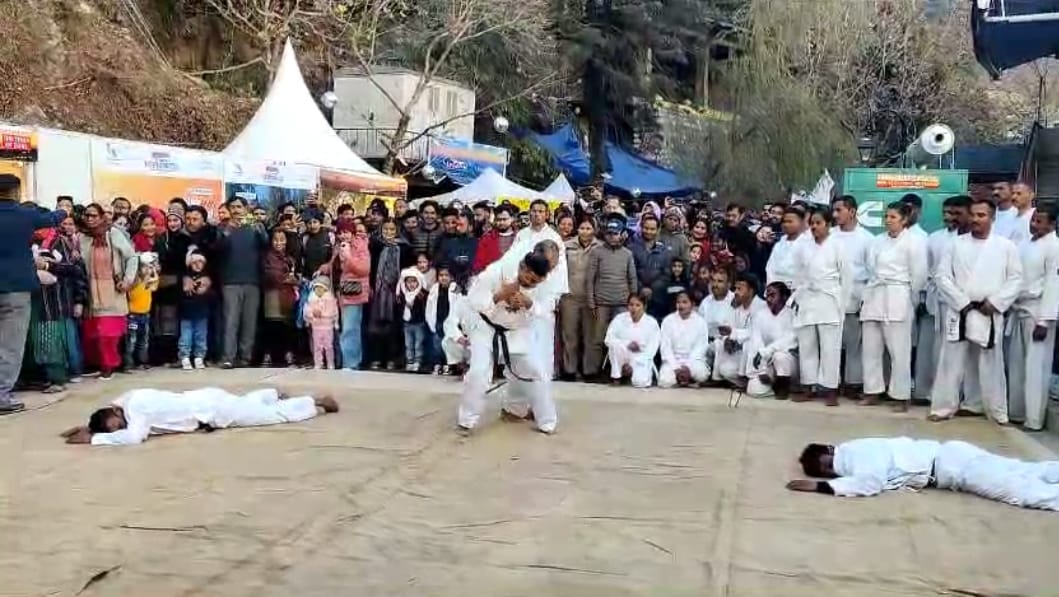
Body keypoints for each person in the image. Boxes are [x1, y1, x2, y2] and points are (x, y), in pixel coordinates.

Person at [931, 198, 1022, 423]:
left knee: (991, 362)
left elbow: (1016, 279)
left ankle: (994, 410)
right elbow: (942, 276)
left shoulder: (1005, 246)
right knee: (951, 360)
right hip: (961, 310)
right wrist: (961, 302)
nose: (975, 219)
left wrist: (996, 302)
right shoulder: (956, 244)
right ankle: (942, 407)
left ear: (992, 218)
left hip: (989, 310)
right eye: (973, 215)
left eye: (981, 215)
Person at [787, 438, 1059, 512]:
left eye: (826, 465)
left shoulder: (855, 454)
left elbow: (870, 483)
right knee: (1024, 470)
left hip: (952, 466)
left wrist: (819, 488)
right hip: (952, 458)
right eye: (823, 473)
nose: (829, 471)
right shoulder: (853, 455)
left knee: (1019, 492)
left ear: (831, 449)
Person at [457, 251, 557, 435]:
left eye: (536, 281)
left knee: (536, 371)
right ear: (522, 267)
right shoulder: (495, 272)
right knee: (479, 372)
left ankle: (547, 421)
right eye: (528, 276)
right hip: (485, 328)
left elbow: (547, 311)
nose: (530, 282)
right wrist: (500, 296)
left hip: (517, 332)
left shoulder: (546, 286)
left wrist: (529, 304)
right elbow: (473, 300)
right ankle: (467, 420)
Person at [60, 387, 340, 446]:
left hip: (213, 411)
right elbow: (120, 422)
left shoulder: (136, 410)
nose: (121, 427)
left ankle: (312, 402)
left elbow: (134, 437)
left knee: (271, 417)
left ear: (115, 413)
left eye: (116, 425)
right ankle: (269, 392)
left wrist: (95, 439)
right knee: (248, 407)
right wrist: (92, 427)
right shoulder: (129, 397)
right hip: (207, 399)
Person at [860, 202, 928, 412]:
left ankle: (901, 395)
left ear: (904, 220)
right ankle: (872, 390)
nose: (888, 220)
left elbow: (919, 275)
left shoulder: (914, 242)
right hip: (875, 293)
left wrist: (911, 299)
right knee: (871, 348)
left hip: (899, 294)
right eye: (886, 216)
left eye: (893, 217)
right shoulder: (877, 241)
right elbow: (870, 267)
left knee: (899, 350)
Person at [791, 208, 852, 406]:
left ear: (828, 224)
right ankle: (808, 386)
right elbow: (798, 275)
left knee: (830, 347)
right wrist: (797, 297)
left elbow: (847, 278)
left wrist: (842, 304)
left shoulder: (839, 245)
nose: (814, 227)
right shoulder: (804, 247)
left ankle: (831, 389)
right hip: (808, 297)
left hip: (829, 298)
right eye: (812, 223)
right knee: (807, 344)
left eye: (818, 223)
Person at [1005, 208, 1059, 431]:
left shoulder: (1054, 246)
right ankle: (1017, 412)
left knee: (1036, 367)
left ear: (1052, 224)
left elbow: (1053, 285)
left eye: (1039, 221)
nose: (1033, 225)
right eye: (1033, 220)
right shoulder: (1026, 244)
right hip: (1020, 307)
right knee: (1017, 363)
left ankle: (1034, 419)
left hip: (1038, 312)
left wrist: (1045, 320)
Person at [915, 195, 971, 402]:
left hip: (962, 304)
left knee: (959, 351)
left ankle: (960, 395)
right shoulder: (935, 238)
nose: (949, 217)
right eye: (946, 213)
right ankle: (932, 393)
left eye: (956, 213)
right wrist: (922, 298)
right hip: (936, 301)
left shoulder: (970, 240)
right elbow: (927, 270)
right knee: (935, 350)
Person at [79, 203, 139, 380]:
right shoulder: (81, 237)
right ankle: (98, 364)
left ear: (101, 217)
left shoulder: (113, 234)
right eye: (87, 216)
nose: (90, 219)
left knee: (108, 335)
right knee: (92, 335)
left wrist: (128, 280)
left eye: (93, 216)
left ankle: (109, 365)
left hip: (113, 291)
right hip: (90, 292)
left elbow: (132, 257)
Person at [217, 197, 269, 369]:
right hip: (230, 281)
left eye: (239, 207)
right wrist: (227, 232)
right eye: (232, 207)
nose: (236, 210)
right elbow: (216, 250)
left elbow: (266, 245)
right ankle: (228, 357)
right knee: (231, 321)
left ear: (246, 209)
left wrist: (260, 231)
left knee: (249, 321)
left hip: (252, 281)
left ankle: (245, 357)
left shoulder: (254, 228)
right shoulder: (222, 228)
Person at [830, 196, 873, 396]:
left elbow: (872, 272)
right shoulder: (830, 236)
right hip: (831, 294)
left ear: (853, 211)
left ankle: (853, 383)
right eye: (834, 210)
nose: (835, 214)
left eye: (839, 210)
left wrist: (865, 299)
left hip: (856, 294)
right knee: (831, 341)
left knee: (854, 342)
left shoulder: (867, 238)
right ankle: (831, 382)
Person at [585, 216, 638, 380]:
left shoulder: (627, 254)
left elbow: (632, 279)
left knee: (621, 339)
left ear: (622, 234)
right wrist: (591, 302)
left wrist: (633, 303)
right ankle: (593, 372)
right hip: (601, 303)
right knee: (598, 339)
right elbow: (590, 279)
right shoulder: (597, 252)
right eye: (609, 233)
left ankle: (618, 372)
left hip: (622, 304)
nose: (612, 237)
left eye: (615, 233)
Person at [559, 218, 602, 380]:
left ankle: (589, 371)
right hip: (570, 297)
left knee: (590, 336)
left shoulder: (600, 247)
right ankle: (570, 370)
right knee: (570, 336)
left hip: (591, 298)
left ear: (594, 230)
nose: (585, 231)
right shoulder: (566, 246)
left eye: (588, 228)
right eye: (582, 228)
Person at [710, 273, 766, 386]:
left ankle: (750, 380)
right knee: (723, 364)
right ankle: (718, 380)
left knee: (749, 344)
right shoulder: (737, 308)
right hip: (738, 351)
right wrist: (727, 339)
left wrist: (734, 334)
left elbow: (757, 333)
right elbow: (728, 327)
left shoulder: (762, 307)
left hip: (756, 354)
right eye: (735, 288)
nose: (735, 292)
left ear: (751, 291)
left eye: (740, 289)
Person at [744, 282, 797, 399]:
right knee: (753, 390)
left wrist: (768, 351)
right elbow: (756, 341)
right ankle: (773, 386)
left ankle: (784, 386)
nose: (768, 299)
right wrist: (762, 370)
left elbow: (790, 340)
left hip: (790, 364)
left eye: (773, 295)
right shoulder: (760, 315)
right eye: (767, 295)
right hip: (768, 361)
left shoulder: (792, 315)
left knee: (780, 356)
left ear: (784, 297)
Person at [332, 221, 371, 370]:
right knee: (347, 327)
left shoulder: (361, 247)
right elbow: (334, 265)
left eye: (346, 232)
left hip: (354, 292)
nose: (343, 235)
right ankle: (349, 361)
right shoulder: (339, 246)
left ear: (353, 233)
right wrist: (324, 268)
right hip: (342, 291)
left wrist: (348, 257)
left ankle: (351, 363)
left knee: (350, 328)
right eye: (340, 233)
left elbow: (364, 269)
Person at [603, 293, 661, 387]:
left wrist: (633, 365)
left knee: (640, 382)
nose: (634, 308)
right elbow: (608, 339)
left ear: (644, 307)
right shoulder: (619, 319)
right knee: (614, 345)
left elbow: (652, 348)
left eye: (637, 305)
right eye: (631, 305)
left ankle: (633, 373)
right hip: (622, 353)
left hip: (641, 356)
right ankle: (616, 377)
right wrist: (627, 344)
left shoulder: (651, 323)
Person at [658, 291, 710, 388]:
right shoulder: (668, 321)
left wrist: (687, 367)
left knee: (702, 375)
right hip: (673, 360)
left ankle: (685, 378)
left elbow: (701, 347)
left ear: (692, 304)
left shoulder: (700, 322)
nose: (681, 305)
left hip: (693, 361)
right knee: (665, 381)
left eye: (685, 302)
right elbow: (665, 347)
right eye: (678, 302)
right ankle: (683, 379)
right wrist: (676, 368)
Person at [178, 248, 212, 370]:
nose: (197, 265)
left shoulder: (208, 278)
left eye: (200, 262)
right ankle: (184, 357)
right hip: (186, 312)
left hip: (202, 312)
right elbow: (178, 293)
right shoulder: (184, 276)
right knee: (186, 336)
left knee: (201, 336)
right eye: (194, 262)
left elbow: (212, 296)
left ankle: (199, 356)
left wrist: (207, 288)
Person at [765, 207, 809, 290]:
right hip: (775, 290)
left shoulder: (808, 244)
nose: (786, 225)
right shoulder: (779, 244)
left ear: (801, 223)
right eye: (784, 222)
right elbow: (770, 269)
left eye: (790, 222)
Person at [303, 275, 340, 370]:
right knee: (317, 347)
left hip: (328, 327)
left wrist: (335, 323)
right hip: (316, 327)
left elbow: (334, 312)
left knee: (329, 346)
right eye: (316, 288)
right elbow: (306, 311)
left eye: (321, 288)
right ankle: (318, 363)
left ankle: (330, 363)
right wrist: (311, 315)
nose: (318, 290)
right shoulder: (311, 299)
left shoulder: (330, 300)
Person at [397, 266, 428, 372]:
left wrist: (413, 305)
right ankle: (409, 361)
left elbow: (423, 308)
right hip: (407, 324)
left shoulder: (421, 295)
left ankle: (418, 361)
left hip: (418, 323)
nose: (411, 284)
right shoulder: (403, 295)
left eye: (414, 281)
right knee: (408, 344)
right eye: (409, 282)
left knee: (418, 343)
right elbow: (399, 307)